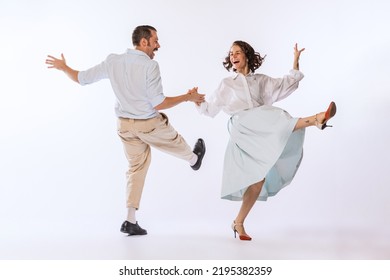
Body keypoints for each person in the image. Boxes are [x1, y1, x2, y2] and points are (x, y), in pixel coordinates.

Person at [45, 25, 206, 236]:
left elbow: (81, 78)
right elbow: (159, 103)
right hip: (148, 124)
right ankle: (194, 160)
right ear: (144, 42)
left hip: (124, 126)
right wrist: (188, 97)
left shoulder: (113, 61)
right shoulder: (151, 66)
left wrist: (64, 67)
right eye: (155, 40)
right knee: (173, 140)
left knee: (136, 168)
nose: (158, 45)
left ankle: (130, 220)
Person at [195, 41, 336, 240]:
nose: (233, 56)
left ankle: (238, 222)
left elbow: (288, 83)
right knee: (275, 117)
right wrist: (195, 99)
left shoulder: (260, 81)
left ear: (246, 55)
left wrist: (295, 60)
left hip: (261, 129)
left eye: (238, 52)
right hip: (243, 128)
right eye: (231, 53)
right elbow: (209, 110)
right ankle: (315, 119)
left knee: (258, 180)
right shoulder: (227, 84)